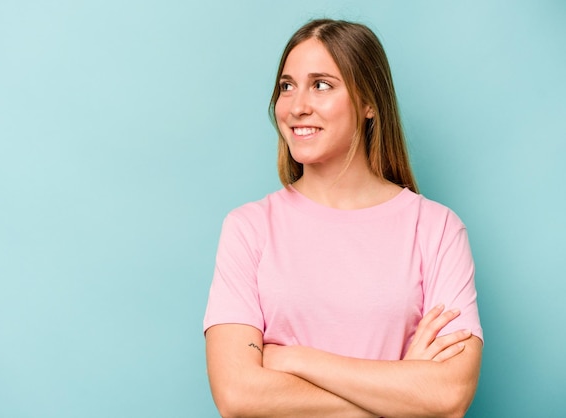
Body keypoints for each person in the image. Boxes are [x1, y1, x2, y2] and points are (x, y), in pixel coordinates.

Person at [204, 18, 482, 418]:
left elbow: (449, 395)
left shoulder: (437, 229)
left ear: (369, 102)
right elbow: (237, 395)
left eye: (321, 84)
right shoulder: (248, 228)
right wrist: (402, 385)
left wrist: (295, 359)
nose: (297, 106)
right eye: (287, 86)